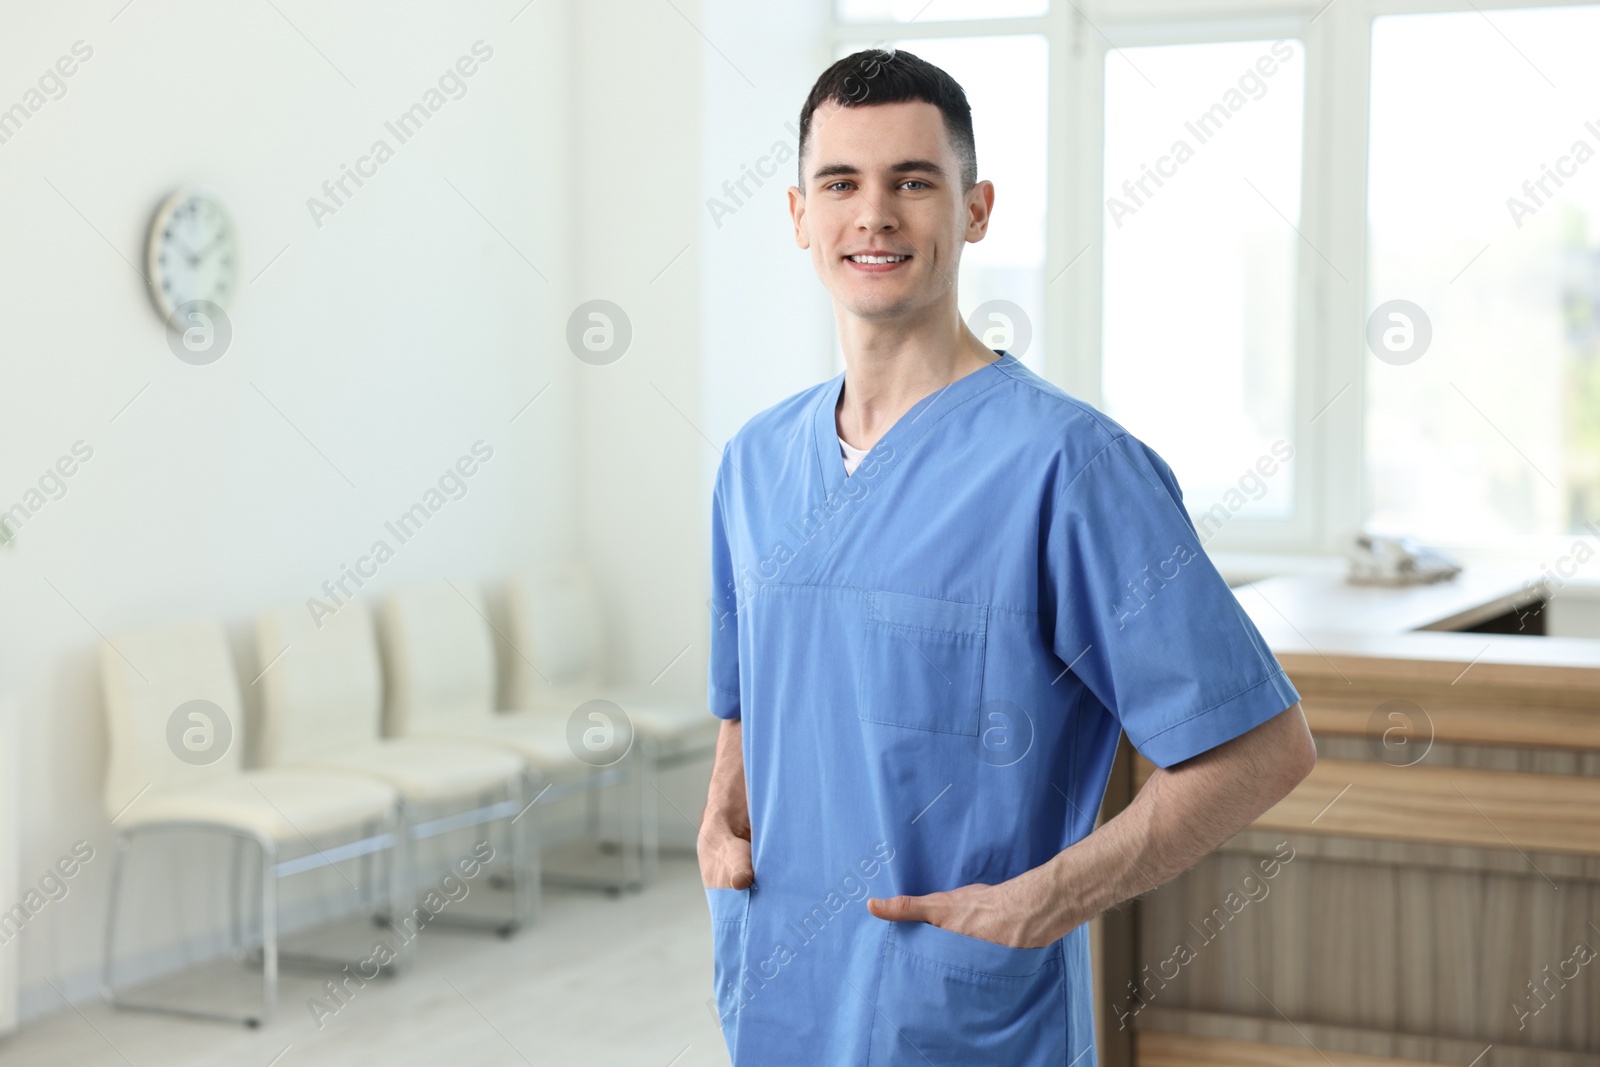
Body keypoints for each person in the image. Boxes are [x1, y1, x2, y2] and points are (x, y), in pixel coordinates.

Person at [699, 46, 1316, 1067]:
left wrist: (1052, 898)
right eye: (840, 183)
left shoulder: (1069, 468)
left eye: (913, 181)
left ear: (974, 208)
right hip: (777, 1007)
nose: (874, 215)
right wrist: (721, 818)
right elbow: (748, 684)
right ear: (798, 215)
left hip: (958, 1021)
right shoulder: (756, 460)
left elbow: (1259, 749)